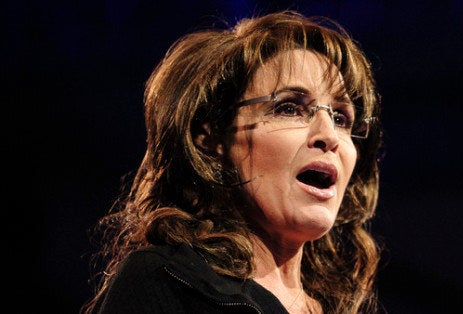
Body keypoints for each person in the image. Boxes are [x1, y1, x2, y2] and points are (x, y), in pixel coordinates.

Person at [81, 10, 383, 314]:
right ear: (213, 138)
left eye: (342, 117)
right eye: (289, 108)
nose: (329, 135)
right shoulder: (167, 282)